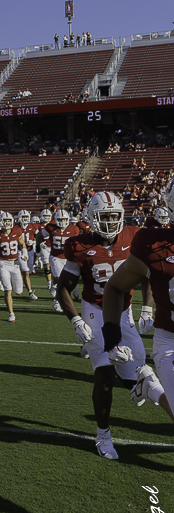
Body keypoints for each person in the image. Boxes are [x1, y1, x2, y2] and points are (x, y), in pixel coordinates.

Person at [57, 191, 150, 459]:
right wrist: (75, 319)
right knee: (105, 375)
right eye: (104, 216)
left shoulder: (134, 236)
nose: (110, 222)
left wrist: (146, 307)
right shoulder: (79, 245)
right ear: (91, 218)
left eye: (114, 216)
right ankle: (103, 436)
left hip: (124, 311)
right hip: (94, 309)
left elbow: (146, 274)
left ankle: (122, 369)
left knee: (135, 374)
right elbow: (63, 288)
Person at [102, 178, 174, 425]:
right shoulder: (152, 244)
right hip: (171, 341)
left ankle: (149, 386)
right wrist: (112, 336)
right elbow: (114, 287)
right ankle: (150, 385)